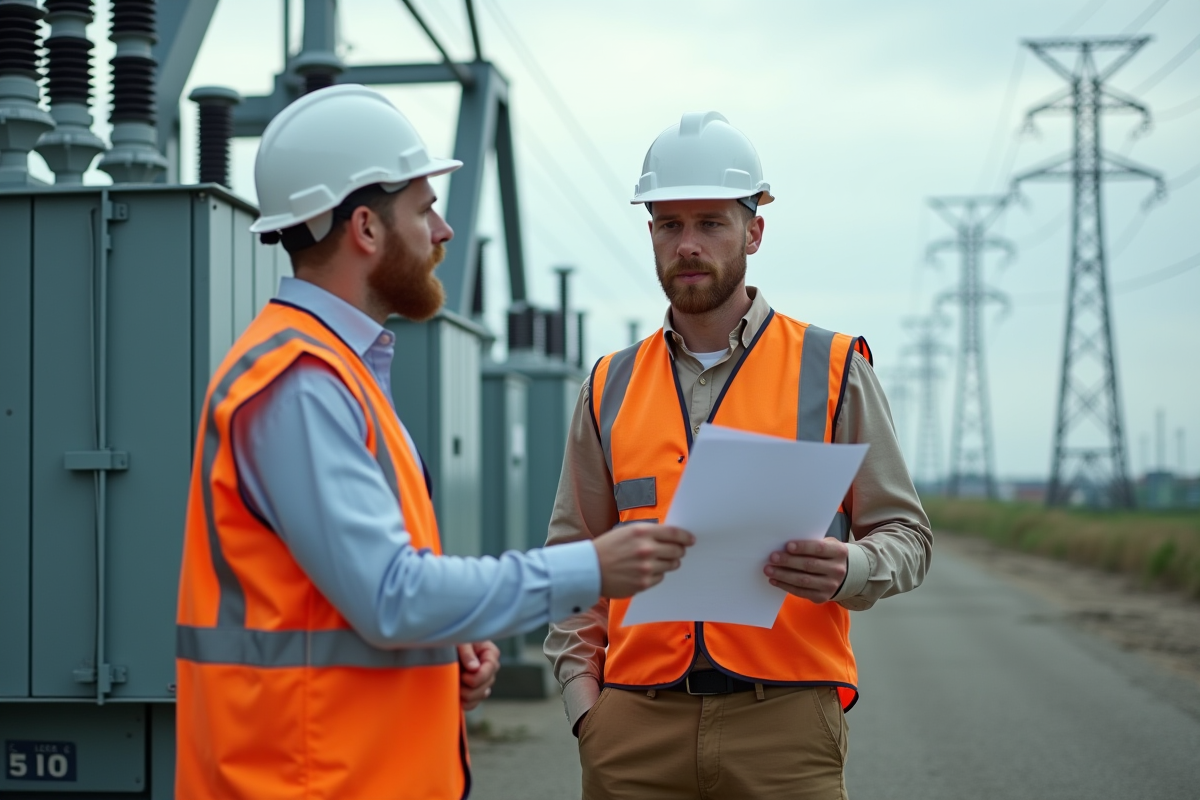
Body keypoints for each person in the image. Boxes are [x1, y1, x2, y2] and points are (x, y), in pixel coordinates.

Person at [173, 85, 693, 800]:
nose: (443, 231)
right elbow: (391, 595)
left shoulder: (335, 373)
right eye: (424, 210)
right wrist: (586, 568)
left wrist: (440, 649)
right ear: (364, 226)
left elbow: (350, 600)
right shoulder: (298, 385)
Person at [544, 111, 933, 800]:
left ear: (754, 230)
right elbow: (574, 555)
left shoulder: (833, 367)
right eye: (670, 224)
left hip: (783, 724)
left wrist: (854, 567)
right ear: (653, 234)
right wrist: (585, 707)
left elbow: (907, 535)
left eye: (711, 223)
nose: (688, 245)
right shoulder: (608, 385)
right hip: (632, 729)